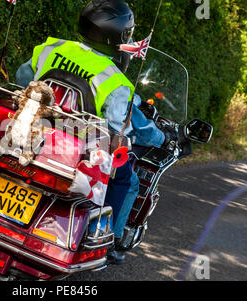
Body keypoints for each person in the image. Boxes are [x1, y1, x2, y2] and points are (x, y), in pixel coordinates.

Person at [14, 0, 177, 264]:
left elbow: (22, 80)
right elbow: (119, 127)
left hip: (34, 130)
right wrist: (160, 137)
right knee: (129, 179)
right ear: (119, 36)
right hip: (78, 148)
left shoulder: (51, 48)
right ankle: (106, 237)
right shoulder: (114, 79)